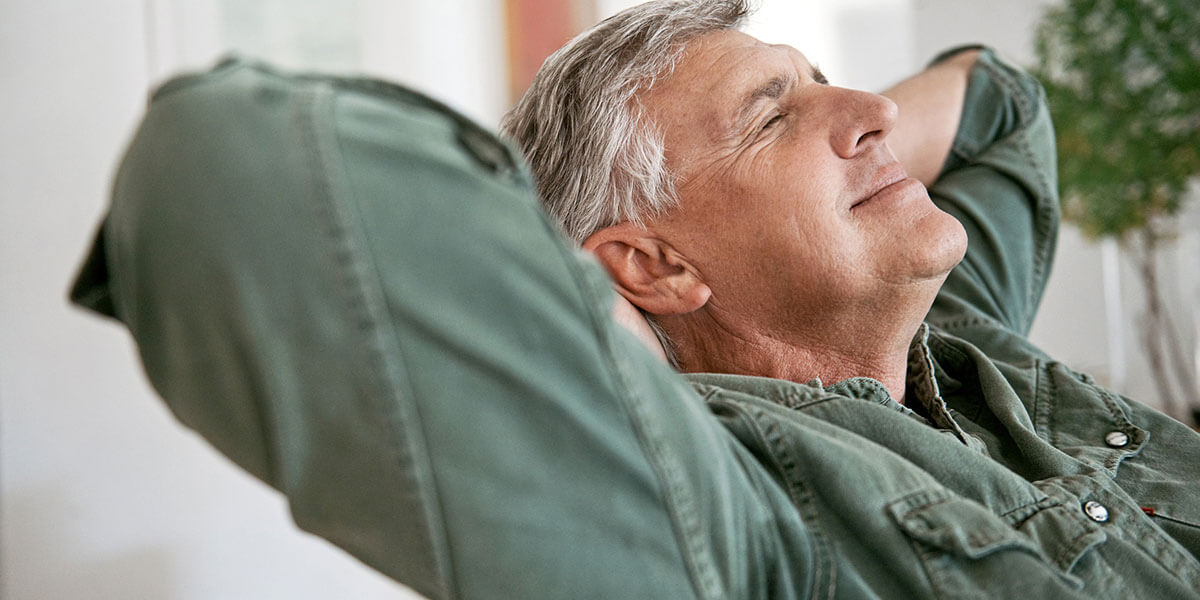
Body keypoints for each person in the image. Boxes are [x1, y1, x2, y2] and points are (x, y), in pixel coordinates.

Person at [70, 0, 1200, 598]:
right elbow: (221, 163)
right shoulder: (727, 514)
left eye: (826, 81)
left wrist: (821, 128)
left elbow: (1000, 103)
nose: (871, 112)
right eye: (773, 116)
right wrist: (593, 316)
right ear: (653, 268)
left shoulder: (953, 334)